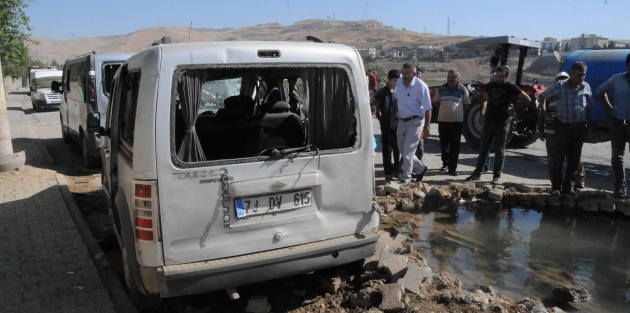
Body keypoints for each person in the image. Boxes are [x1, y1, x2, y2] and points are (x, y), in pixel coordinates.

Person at [466, 66, 531, 183]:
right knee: (483, 149)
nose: (499, 79)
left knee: (500, 151)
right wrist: (482, 112)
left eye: (501, 77)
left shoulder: (511, 87)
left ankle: (496, 176)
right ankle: (477, 173)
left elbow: (527, 99)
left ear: (506, 77)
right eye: (497, 76)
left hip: (503, 122)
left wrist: (513, 110)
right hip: (489, 121)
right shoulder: (491, 86)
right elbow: (485, 99)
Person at [538, 61, 593, 194]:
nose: (581, 78)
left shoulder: (586, 87)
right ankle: (556, 187)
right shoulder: (560, 86)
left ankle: (568, 187)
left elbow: (590, 108)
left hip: (579, 127)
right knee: (558, 158)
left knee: (574, 159)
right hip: (563, 126)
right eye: (579, 75)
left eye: (583, 75)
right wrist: (544, 112)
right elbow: (542, 96)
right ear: (571, 74)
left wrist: (590, 127)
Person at [390, 63, 432, 185]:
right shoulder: (399, 83)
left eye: (407, 73)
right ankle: (420, 168)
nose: (404, 76)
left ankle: (406, 178)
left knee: (408, 151)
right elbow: (396, 100)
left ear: (414, 74)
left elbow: (428, 108)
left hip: (416, 121)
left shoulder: (421, 87)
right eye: (403, 73)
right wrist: (393, 116)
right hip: (402, 120)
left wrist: (427, 127)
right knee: (403, 150)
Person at [596, 53, 630, 197]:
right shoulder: (617, 79)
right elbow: (599, 91)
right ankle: (619, 188)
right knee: (617, 157)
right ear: (627, 65)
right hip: (618, 122)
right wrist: (609, 109)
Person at [433, 69, 470, 176]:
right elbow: (436, 102)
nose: (450, 79)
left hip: (457, 122)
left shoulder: (463, 89)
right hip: (443, 120)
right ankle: (445, 163)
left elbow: (467, 104)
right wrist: (445, 109)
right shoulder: (441, 89)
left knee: (455, 145)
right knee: (444, 143)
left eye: (453, 78)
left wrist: (456, 111)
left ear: (458, 79)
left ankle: (452, 168)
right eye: (449, 77)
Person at [374, 69, 401, 181]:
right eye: (394, 80)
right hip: (386, 124)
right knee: (387, 148)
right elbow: (376, 108)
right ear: (389, 79)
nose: (396, 82)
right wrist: (381, 120)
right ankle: (388, 171)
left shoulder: (398, 91)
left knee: (397, 148)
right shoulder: (382, 93)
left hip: (398, 123)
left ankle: (397, 169)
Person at [415, 65, 425, 160]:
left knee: (420, 145)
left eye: (419, 73)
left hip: (420, 120)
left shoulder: (423, 87)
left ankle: (420, 163)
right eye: (416, 73)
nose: (418, 75)